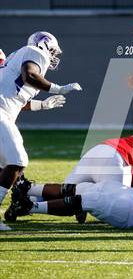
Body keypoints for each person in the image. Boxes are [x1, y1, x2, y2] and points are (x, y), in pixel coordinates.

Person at [0, 32, 82, 230]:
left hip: (5, 112)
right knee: (18, 161)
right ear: (43, 45)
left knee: (9, 169)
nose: (53, 56)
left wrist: (43, 106)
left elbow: (18, 98)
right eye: (52, 50)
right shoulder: (34, 52)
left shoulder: (15, 57)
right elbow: (30, 74)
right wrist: (58, 88)